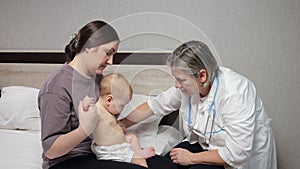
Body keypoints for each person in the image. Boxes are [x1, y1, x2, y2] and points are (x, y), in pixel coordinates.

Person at [38, 20, 176, 169]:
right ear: (88, 47)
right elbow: (51, 151)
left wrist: (120, 127)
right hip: (67, 161)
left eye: (113, 55)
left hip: (99, 153)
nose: (111, 61)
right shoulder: (57, 86)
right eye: (108, 53)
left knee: (165, 166)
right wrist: (84, 129)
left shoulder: (98, 79)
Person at [123, 40, 277, 169]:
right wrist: (121, 123)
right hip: (204, 144)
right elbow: (155, 105)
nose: (176, 85)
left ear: (202, 76)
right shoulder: (188, 86)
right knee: (160, 163)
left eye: (181, 80)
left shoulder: (235, 93)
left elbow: (237, 153)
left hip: (235, 155)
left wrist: (191, 158)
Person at [81, 73, 155, 168]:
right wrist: (86, 105)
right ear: (109, 100)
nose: (122, 109)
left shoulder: (107, 110)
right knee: (140, 161)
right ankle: (140, 160)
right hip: (111, 151)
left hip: (119, 145)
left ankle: (139, 152)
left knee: (132, 137)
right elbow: (85, 117)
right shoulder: (97, 111)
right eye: (122, 105)